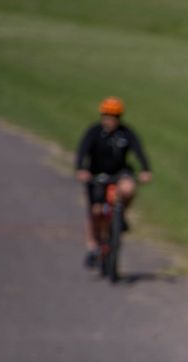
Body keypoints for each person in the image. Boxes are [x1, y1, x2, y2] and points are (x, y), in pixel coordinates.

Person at [75, 96, 152, 267]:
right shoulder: (94, 132)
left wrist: (146, 170)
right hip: (96, 175)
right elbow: (82, 150)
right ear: (102, 116)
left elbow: (139, 150)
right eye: (107, 116)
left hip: (119, 173)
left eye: (114, 117)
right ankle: (93, 245)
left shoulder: (125, 133)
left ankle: (121, 214)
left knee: (128, 188)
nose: (110, 121)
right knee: (96, 211)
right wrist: (81, 169)